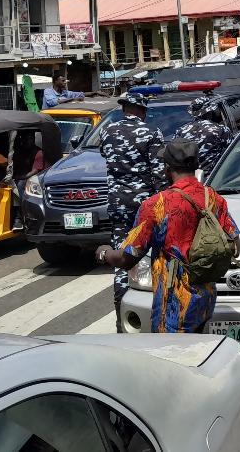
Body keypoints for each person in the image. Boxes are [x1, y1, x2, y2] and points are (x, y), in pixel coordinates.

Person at [97, 139, 240, 334]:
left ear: (167, 169)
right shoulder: (213, 199)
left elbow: (127, 258)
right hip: (206, 300)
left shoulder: (157, 205)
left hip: (174, 305)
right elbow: (235, 244)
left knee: (172, 358)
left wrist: (104, 253)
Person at [99, 92, 165, 328]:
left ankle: (121, 316)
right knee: (149, 255)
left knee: (121, 256)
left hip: (117, 203)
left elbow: (105, 156)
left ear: (124, 108)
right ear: (142, 110)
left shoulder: (107, 131)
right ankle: (151, 314)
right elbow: (159, 175)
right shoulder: (151, 132)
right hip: (144, 206)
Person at [173, 96, 234, 180]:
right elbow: (232, 153)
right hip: (213, 179)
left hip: (188, 179)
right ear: (210, 112)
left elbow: (175, 154)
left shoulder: (181, 131)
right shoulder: (221, 130)